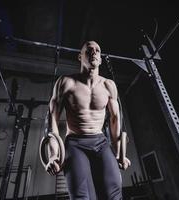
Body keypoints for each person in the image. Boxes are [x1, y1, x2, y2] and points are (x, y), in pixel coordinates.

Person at [44, 41, 131, 200]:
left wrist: (119, 153)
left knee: (114, 193)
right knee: (81, 196)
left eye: (97, 50)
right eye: (88, 50)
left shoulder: (108, 85)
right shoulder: (65, 82)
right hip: (75, 143)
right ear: (80, 56)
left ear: (100, 59)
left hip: (100, 142)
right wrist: (53, 155)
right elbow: (53, 121)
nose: (94, 52)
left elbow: (114, 119)